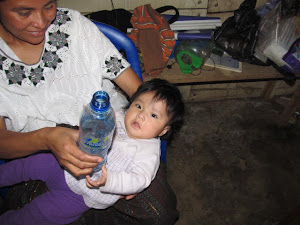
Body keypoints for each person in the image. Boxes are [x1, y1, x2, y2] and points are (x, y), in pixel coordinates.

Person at [0, 0, 179, 224]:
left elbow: (140, 92)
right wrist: (46, 139)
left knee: (159, 213)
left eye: (48, 6)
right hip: (38, 145)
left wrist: (147, 113)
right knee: (36, 211)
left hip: (108, 132)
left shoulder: (72, 26)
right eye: (24, 12)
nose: (41, 21)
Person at [0, 78, 185, 224]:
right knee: (27, 165)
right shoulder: (117, 115)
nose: (141, 115)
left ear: (163, 130)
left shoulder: (149, 152)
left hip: (84, 195)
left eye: (153, 115)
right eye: (138, 105)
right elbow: (87, 126)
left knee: (39, 215)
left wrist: (110, 180)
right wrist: (90, 118)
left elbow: (140, 179)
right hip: (63, 164)